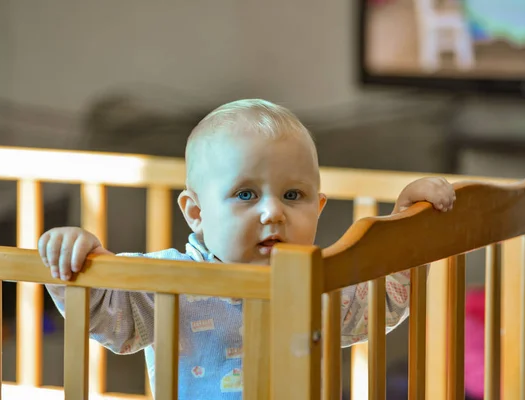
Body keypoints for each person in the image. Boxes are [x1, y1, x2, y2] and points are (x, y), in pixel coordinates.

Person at [39, 99, 456, 399]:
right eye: (245, 194)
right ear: (196, 212)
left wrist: (406, 221)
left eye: (293, 194)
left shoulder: (323, 281)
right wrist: (79, 257)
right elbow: (106, 315)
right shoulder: (170, 281)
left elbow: (385, 302)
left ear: (319, 207)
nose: (273, 212)